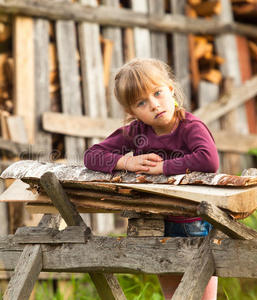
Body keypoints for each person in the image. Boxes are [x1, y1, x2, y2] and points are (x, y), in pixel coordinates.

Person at [83, 58, 219, 300]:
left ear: (171, 88)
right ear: (132, 112)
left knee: (202, 296)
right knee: (173, 296)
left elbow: (208, 160)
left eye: (157, 93)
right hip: (156, 223)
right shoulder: (136, 132)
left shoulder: (189, 126)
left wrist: (164, 167)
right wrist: (126, 162)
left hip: (195, 220)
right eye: (142, 103)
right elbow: (92, 155)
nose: (154, 105)